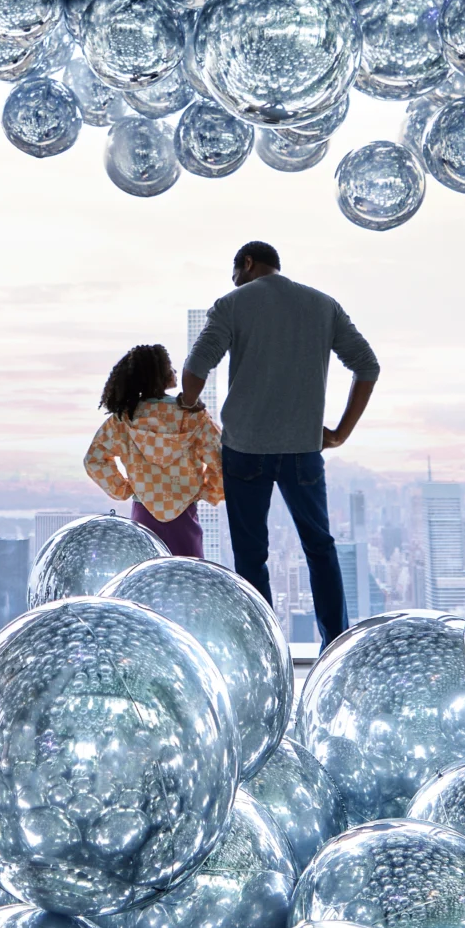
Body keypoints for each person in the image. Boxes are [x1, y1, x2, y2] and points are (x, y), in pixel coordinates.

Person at [179, 240, 378, 644]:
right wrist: (340, 432)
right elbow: (367, 366)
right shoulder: (324, 305)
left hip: (245, 450)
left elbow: (195, 369)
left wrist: (189, 405)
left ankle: (266, 650)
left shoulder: (232, 304)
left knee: (252, 557)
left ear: (247, 263)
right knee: (319, 548)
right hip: (304, 451)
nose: (235, 283)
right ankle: (335, 644)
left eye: (235, 274)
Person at [82, 342, 224, 558]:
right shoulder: (192, 415)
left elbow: (94, 460)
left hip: (142, 513)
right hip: (185, 514)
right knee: (188, 577)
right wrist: (208, 490)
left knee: (146, 579)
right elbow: (223, 460)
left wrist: (124, 489)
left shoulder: (123, 418)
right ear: (160, 375)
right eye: (170, 367)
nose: (175, 372)